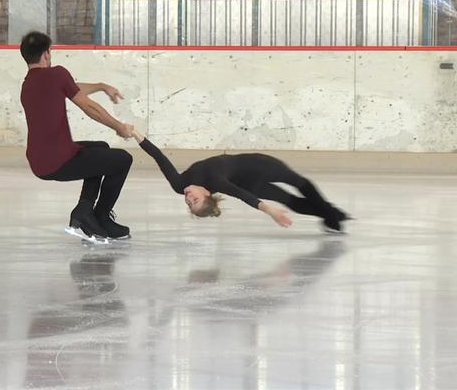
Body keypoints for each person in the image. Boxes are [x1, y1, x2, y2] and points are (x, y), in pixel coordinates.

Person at [19, 31, 134, 240]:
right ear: (46, 54)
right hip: (59, 160)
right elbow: (89, 108)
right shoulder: (57, 74)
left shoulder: (29, 84)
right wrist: (119, 126)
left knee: (100, 148)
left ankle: (84, 210)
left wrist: (100, 86)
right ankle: (101, 216)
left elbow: (70, 87)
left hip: (39, 161)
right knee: (123, 160)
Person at [130, 129, 350, 232]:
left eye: (189, 203)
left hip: (260, 166)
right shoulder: (216, 181)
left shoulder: (179, 185)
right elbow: (243, 195)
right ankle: (332, 215)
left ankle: (332, 214)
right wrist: (270, 211)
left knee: (300, 183)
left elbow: (160, 158)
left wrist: (137, 135)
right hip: (252, 183)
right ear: (206, 194)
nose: (188, 199)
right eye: (194, 202)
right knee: (292, 202)